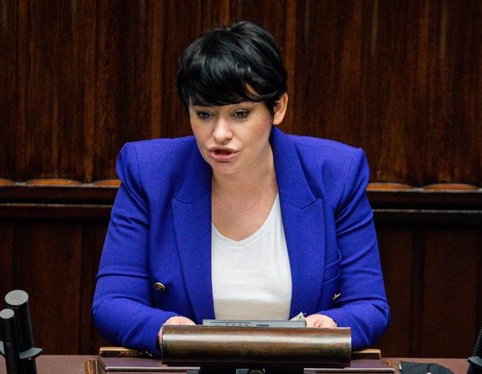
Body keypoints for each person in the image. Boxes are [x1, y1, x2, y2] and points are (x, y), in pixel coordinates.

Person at [92, 20, 389, 356]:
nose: (220, 134)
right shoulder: (150, 172)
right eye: (205, 114)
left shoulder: (335, 173)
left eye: (240, 114)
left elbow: (370, 305)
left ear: (278, 108)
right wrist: (168, 329)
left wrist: (331, 324)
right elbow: (112, 302)